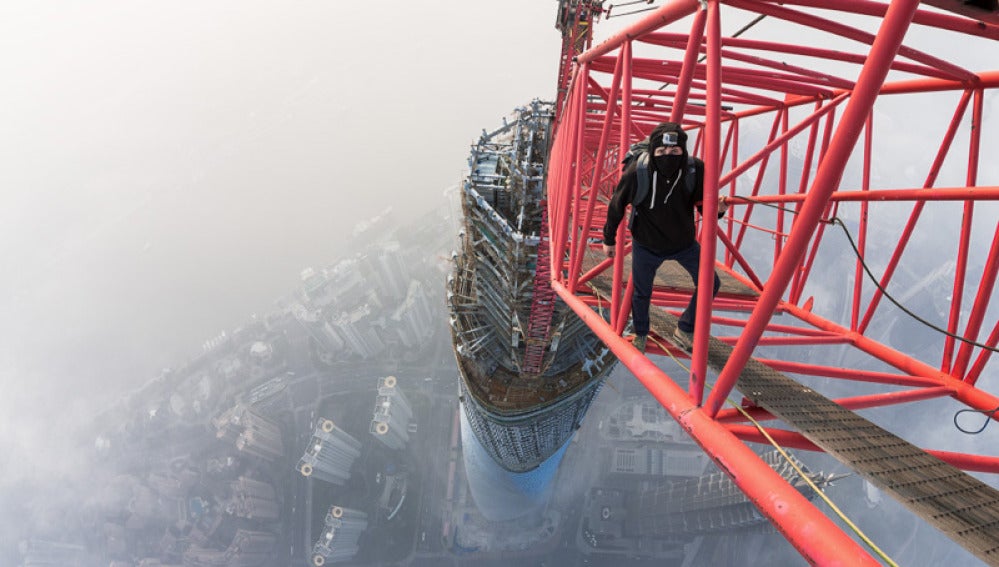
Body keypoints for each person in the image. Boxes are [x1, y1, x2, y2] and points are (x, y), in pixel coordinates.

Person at [602, 122, 728, 353]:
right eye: (661, 152)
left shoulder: (695, 169)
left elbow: (704, 209)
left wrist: (718, 209)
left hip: (683, 244)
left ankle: (685, 328)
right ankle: (640, 333)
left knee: (711, 283)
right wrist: (608, 240)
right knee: (641, 293)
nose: (667, 156)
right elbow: (616, 205)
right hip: (646, 244)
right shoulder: (637, 172)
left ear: (683, 151)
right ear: (652, 152)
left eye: (674, 151)